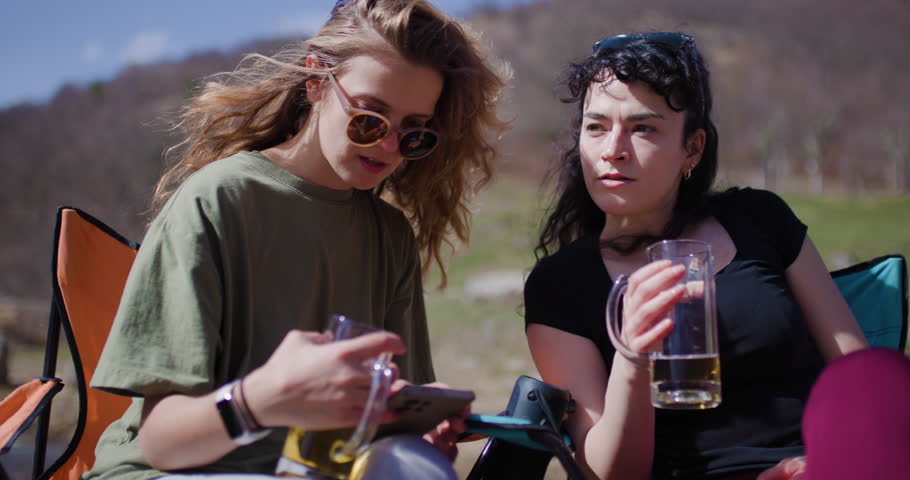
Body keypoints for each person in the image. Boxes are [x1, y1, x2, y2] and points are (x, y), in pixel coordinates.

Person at [84, 1, 507, 479]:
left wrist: (414, 431)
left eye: (414, 133)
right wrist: (262, 399)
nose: (389, 147)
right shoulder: (219, 201)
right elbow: (161, 441)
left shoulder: (389, 235)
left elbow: (378, 421)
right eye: (370, 118)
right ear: (316, 83)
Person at [522, 32, 870, 480]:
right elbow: (609, 471)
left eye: (643, 127)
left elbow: (858, 376)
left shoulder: (758, 220)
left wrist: (833, 461)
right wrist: (632, 354)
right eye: (597, 126)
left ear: (692, 148)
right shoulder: (561, 285)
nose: (613, 150)